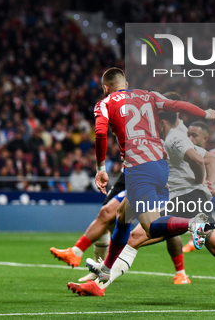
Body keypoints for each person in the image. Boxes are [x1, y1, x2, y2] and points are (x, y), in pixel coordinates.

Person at [67, 116, 215, 297]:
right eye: (189, 132)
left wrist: (207, 181)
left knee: (135, 238)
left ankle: (100, 285)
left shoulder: (185, 146)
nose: (190, 136)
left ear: (204, 139)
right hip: (190, 203)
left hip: (187, 203)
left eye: (195, 134)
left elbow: (210, 160)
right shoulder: (174, 146)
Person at [87, 68, 215, 284]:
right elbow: (177, 105)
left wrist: (101, 168)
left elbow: (100, 133)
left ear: (105, 88)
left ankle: (193, 223)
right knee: (122, 215)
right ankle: (107, 268)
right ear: (126, 84)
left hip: (139, 168)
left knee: (150, 226)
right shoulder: (148, 95)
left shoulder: (105, 103)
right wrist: (204, 113)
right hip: (160, 164)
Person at [51, 91, 195, 285]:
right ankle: (91, 262)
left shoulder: (176, 134)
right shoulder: (152, 122)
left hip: (159, 182)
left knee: (149, 230)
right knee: (114, 213)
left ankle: (183, 261)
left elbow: (192, 161)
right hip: (141, 176)